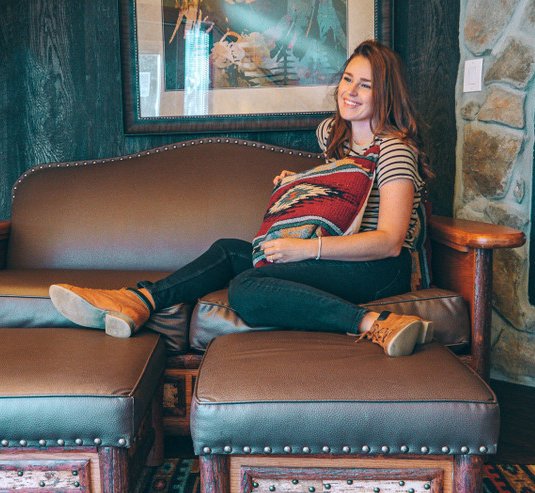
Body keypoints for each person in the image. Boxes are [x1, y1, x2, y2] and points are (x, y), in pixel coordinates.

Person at [49, 39, 437, 357]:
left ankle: (375, 324)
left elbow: (388, 243)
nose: (350, 92)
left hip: (381, 271)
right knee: (229, 251)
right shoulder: (334, 137)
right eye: (348, 79)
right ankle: (140, 300)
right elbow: (345, 194)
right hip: (339, 258)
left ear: (385, 92)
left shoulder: (394, 152)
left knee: (248, 287)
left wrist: (305, 250)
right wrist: (302, 183)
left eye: (365, 85)